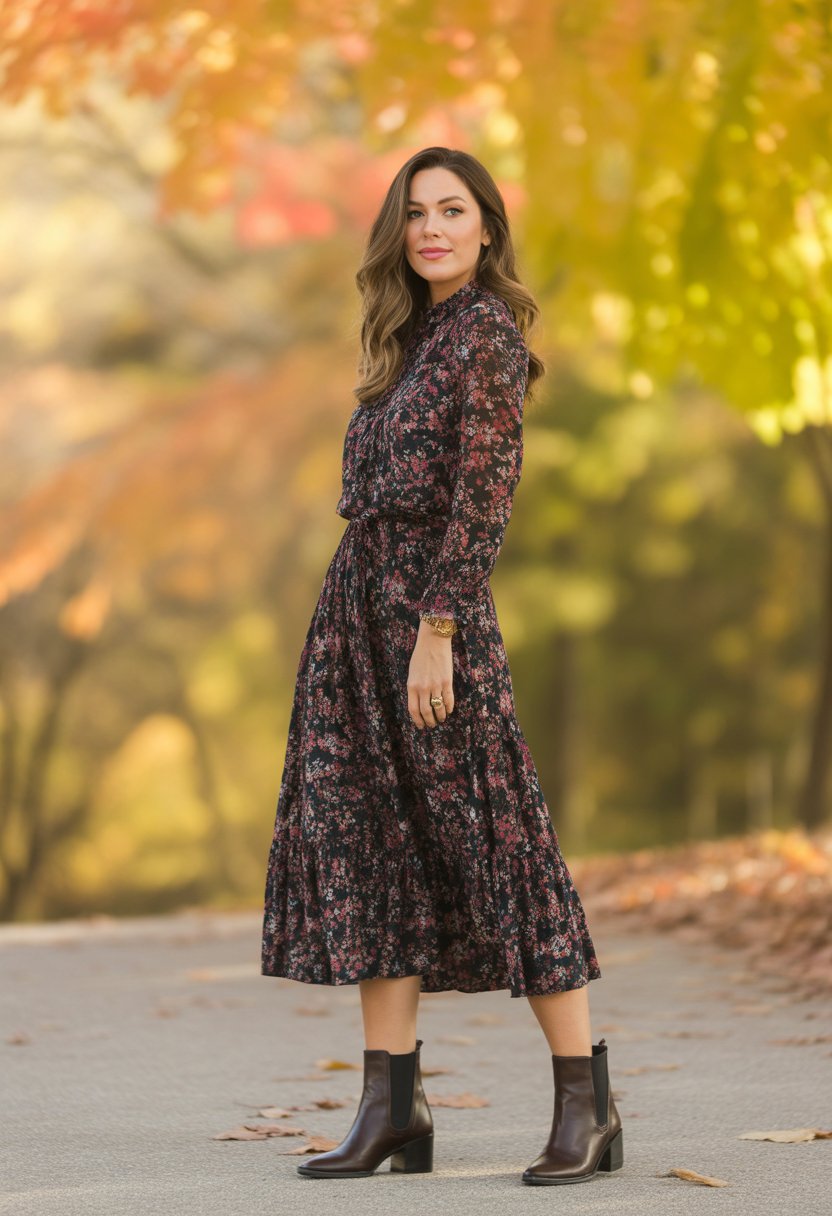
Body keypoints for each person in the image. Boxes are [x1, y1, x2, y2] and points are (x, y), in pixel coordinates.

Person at [260, 146, 622, 1185]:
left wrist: (439, 628)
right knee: (373, 847)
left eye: (452, 210)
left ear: (486, 229)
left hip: (432, 619)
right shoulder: (406, 343)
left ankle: (584, 1106)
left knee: (500, 844)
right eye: (415, 212)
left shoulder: (488, 340)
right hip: (354, 618)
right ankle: (392, 1108)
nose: (431, 228)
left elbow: (483, 498)